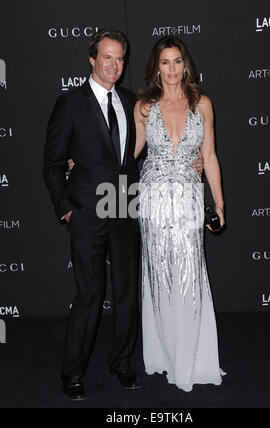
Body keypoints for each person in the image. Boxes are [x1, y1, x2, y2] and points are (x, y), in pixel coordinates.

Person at [44, 29, 205, 401]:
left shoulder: (134, 101)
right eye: (107, 57)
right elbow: (52, 163)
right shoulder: (69, 104)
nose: (114, 65)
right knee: (90, 293)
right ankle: (73, 371)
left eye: (120, 59)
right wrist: (66, 210)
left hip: (127, 206)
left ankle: (121, 361)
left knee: (127, 292)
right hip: (86, 210)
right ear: (92, 59)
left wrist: (192, 157)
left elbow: (157, 143)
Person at [134, 36, 226, 392]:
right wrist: (84, 159)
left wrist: (218, 203)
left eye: (176, 62)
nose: (171, 70)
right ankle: (165, 353)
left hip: (188, 196)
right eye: (164, 62)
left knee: (189, 273)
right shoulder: (144, 107)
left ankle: (193, 358)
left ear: (185, 65)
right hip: (154, 200)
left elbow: (211, 155)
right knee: (160, 275)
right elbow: (130, 151)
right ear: (156, 67)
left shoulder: (202, 104)